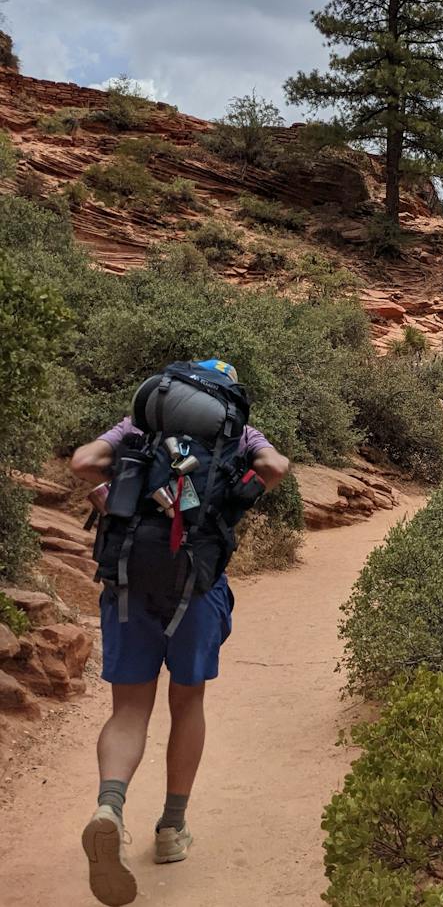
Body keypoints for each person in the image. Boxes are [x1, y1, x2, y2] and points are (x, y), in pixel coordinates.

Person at [70, 359, 289, 907]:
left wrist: (111, 487)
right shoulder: (238, 432)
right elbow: (276, 467)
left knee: (128, 710)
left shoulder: (141, 425)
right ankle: (171, 828)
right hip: (196, 582)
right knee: (187, 703)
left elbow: (84, 462)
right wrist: (239, 490)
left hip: (128, 577)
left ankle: (109, 808)